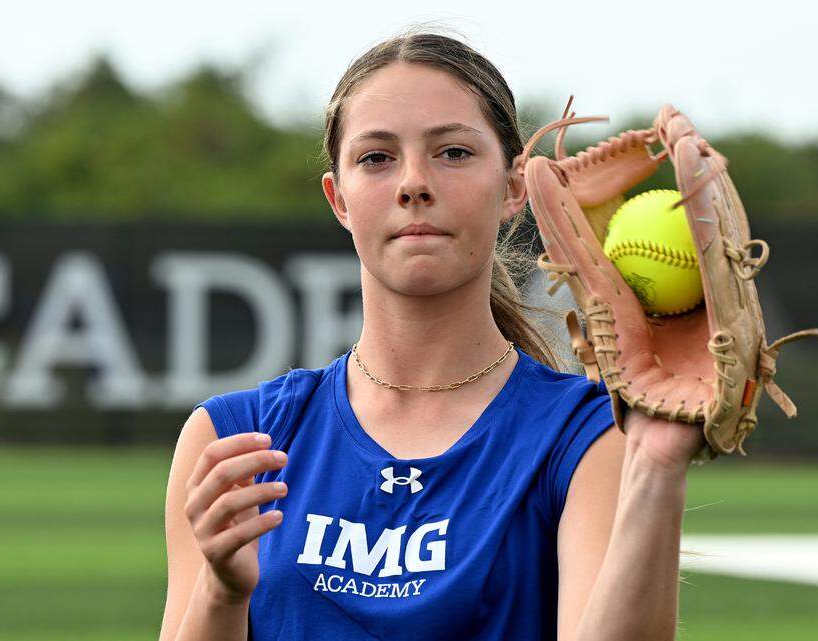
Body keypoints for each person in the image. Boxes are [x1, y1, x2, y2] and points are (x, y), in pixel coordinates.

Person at [160, 29, 705, 641]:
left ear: (515, 186)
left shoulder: (584, 435)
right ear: (338, 200)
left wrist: (655, 470)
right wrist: (221, 590)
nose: (413, 183)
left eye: (453, 153)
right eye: (376, 158)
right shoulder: (234, 441)